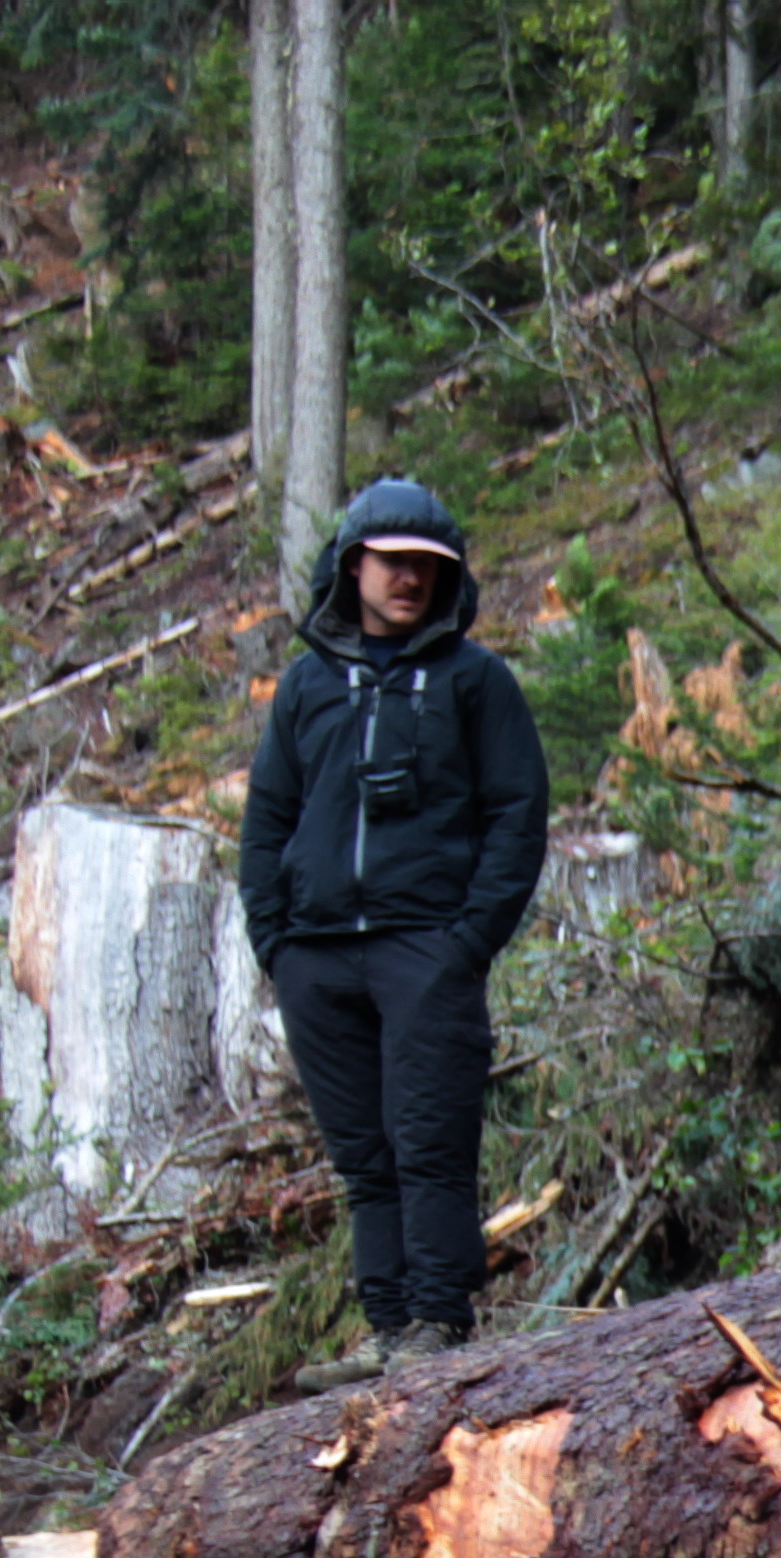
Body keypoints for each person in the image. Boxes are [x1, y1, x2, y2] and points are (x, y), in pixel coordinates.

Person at [240, 475, 550, 1378]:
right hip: (318, 959)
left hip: (427, 952)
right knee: (365, 1156)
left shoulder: (475, 682)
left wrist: (464, 947)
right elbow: (267, 818)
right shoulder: (307, 685)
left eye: (426, 565)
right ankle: (385, 1333)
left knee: (431, 1143)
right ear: (354, 565)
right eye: (392, 561)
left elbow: (517, 816)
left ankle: (437, 1330)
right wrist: (277, 943)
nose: (408, 578)